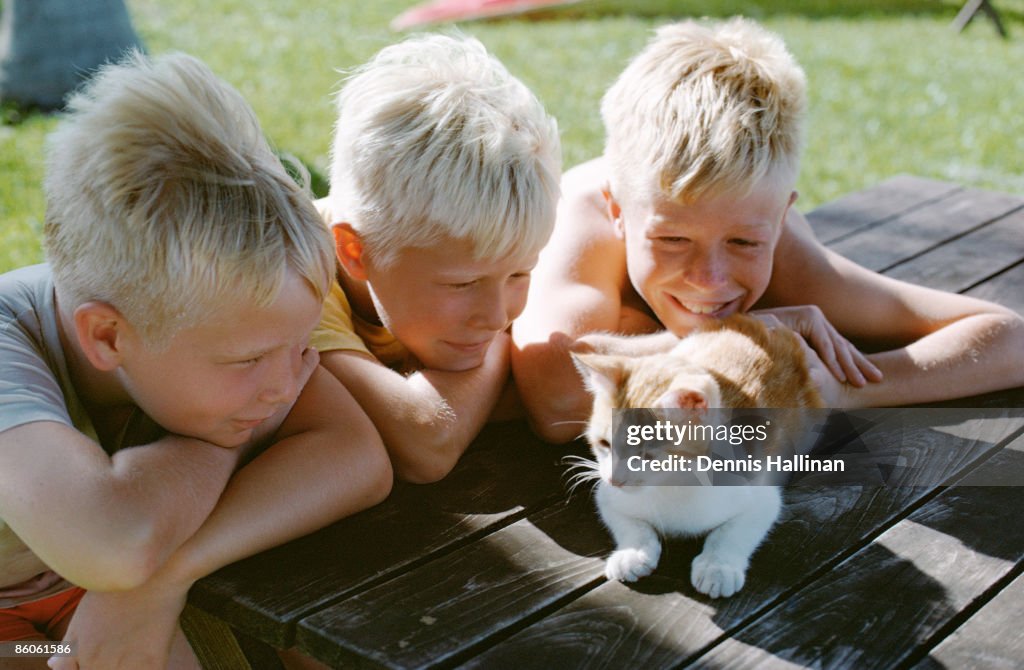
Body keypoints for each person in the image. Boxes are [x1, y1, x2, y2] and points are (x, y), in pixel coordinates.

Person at [0, 51, 391, 669]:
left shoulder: (207, 311)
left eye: (299, 347)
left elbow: (357, 458)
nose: (286, 385)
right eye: (250, 361)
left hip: (91, 600)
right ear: (105, 338)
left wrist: (167, 578)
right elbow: (114, 545)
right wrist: (222, 446)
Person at [511, 17, 1024, 443]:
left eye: (743, 243)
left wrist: (847, 389)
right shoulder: (581, 220)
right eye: (672, 240)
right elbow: (556, 397)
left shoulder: (787, 253)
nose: (710, 278)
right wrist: (745, 333)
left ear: (779, 222)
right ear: (618, 211)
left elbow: (1009, 339)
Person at [313, 33, 562, 483]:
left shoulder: (492, 235)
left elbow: (562, 401)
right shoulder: (293, 279)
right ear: (354, 252)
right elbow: (425, 442)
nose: (496, 315)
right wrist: (507, 350)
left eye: (522, 274)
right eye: (463, 284)